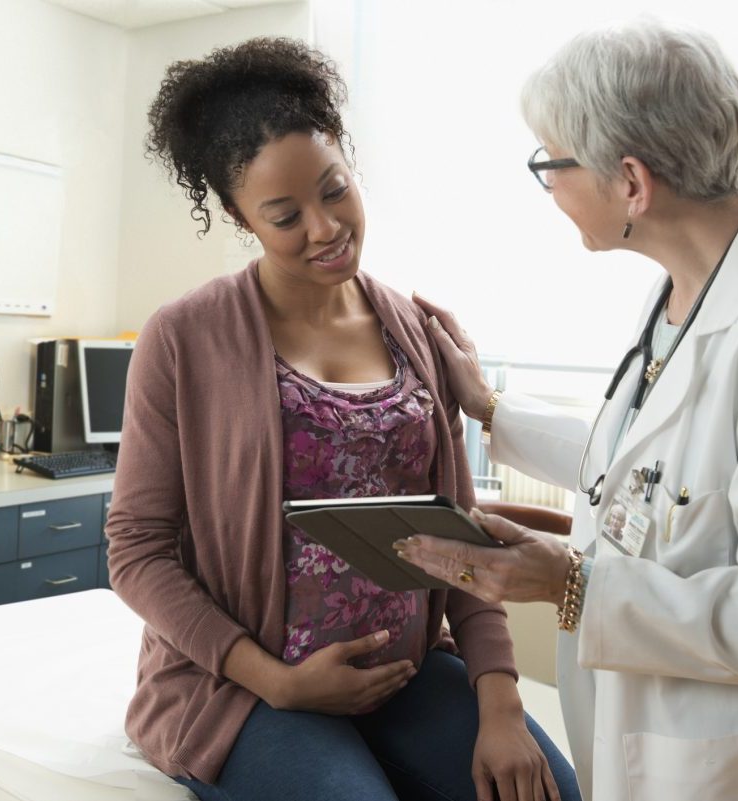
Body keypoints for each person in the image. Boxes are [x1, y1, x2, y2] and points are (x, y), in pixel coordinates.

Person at [396, 18, 738, 801]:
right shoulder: (686, 294)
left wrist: (572, 584)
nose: (549, 188)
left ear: (631, 182)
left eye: (551, 162)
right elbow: (656, 472)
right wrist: (490, 409)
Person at [105, 37, 580, 801]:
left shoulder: (413, 329)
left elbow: (461, 534)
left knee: (555, 793)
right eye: (285, 215)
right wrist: (277, 680)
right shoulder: (183, 337)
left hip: (406, 672)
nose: (325, 228)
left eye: (334, 191)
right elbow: (137, 549)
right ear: (238, 215)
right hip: (252, 689)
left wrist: (500, 704)